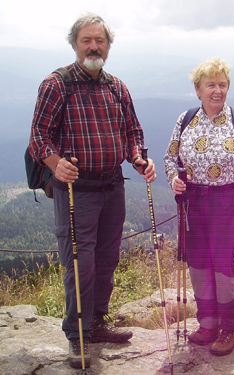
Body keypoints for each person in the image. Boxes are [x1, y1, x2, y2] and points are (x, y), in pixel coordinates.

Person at [28, 13, 157, 369]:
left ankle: (97, 322)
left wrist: (138, 158)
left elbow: (133, 131)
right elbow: (38, 136)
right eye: (87, 40)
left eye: (100, 41)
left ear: (108, 46)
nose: (94, 46)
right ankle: (78, 334)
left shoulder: (116, 87)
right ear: (75, 44)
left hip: (113, 185)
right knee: (80, 263)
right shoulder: (57, 84)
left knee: (107, 259)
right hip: (76, 190)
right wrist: (55, 164)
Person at [163, 58, 234, 356]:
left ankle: (231, 327)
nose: (217, 91)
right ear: (198, 90)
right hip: (193, 202)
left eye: (222, 85)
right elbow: (171, 159)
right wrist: (174, 180)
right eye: (211, 85)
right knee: (199, 265)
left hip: (226, 201)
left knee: (224, 265)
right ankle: (208, 323)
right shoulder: (185, 119)